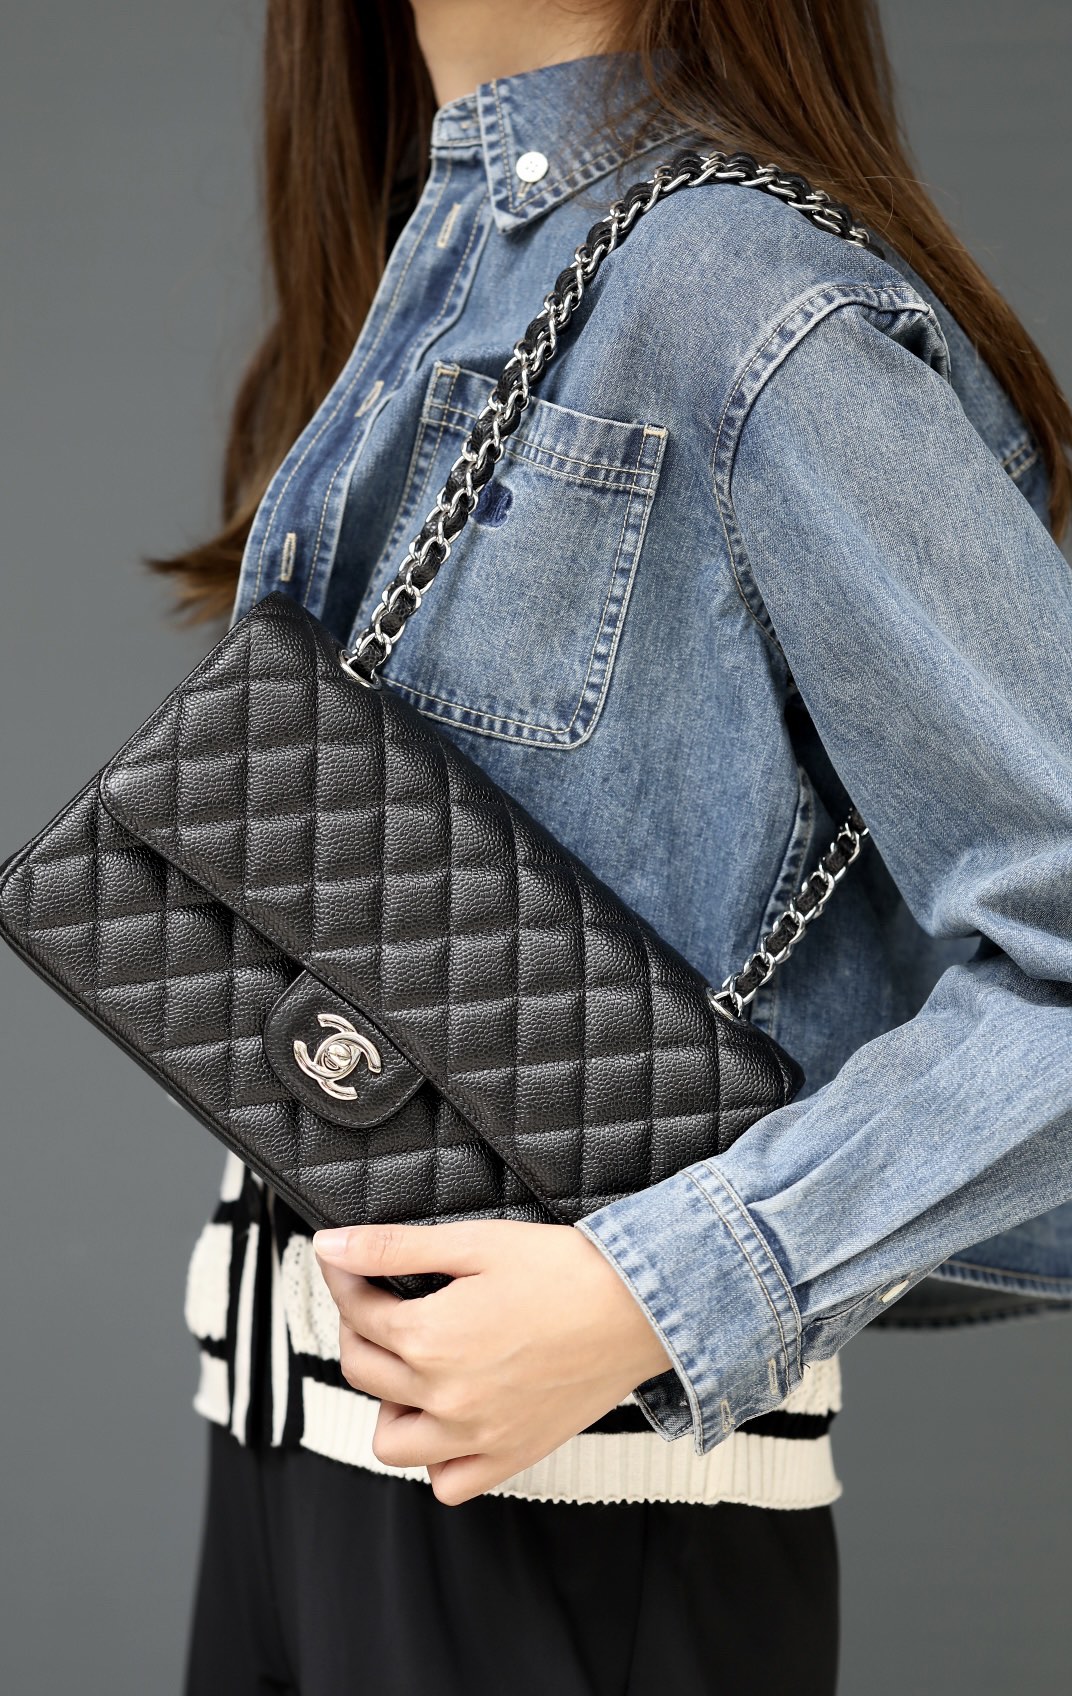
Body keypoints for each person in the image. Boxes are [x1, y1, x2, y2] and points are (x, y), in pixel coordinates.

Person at [154, 4, 1072, 1692]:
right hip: (291, 1448)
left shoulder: (744, 301)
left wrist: (658, 1295)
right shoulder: (447, 261)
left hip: (577, 1514)